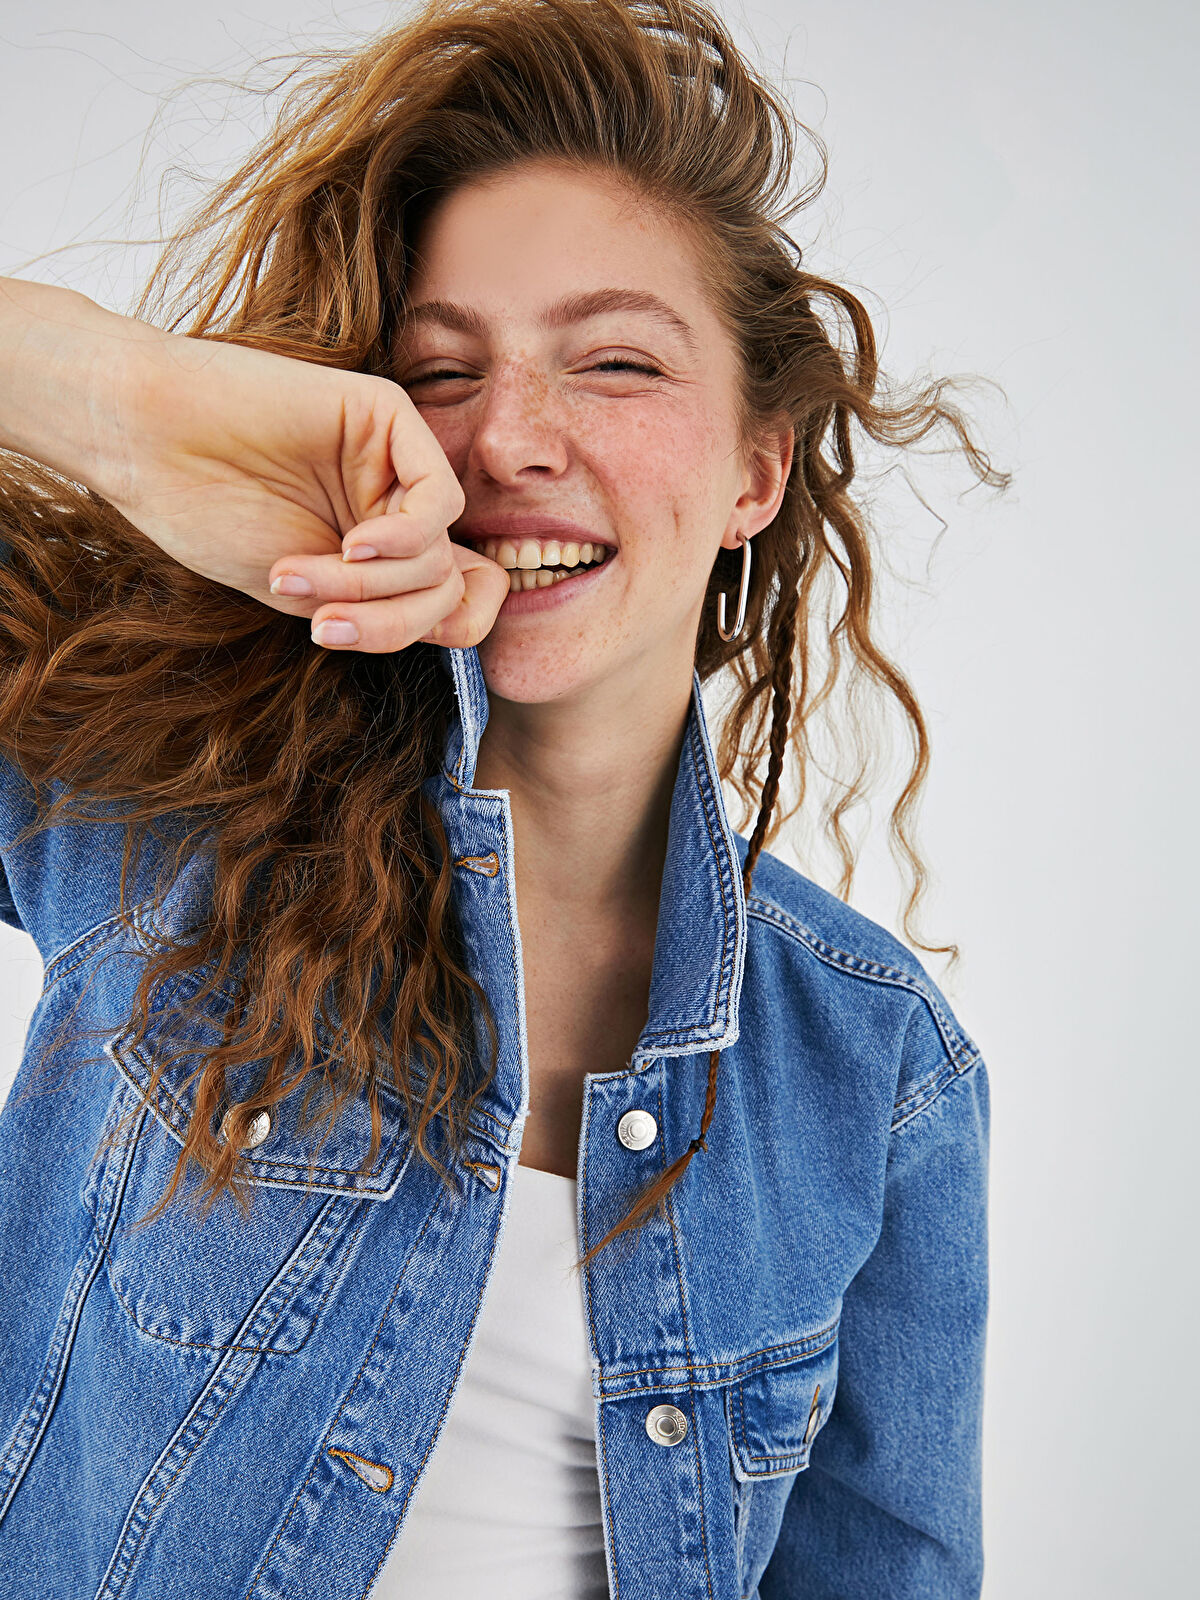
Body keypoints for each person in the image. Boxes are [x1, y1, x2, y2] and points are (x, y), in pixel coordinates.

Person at [0, 1, 1000, 1596]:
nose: (511, 439)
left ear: (757, 465)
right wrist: (132, 410)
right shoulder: (160, 820)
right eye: (439, 371)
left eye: (613, 362)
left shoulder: (882, 1079)